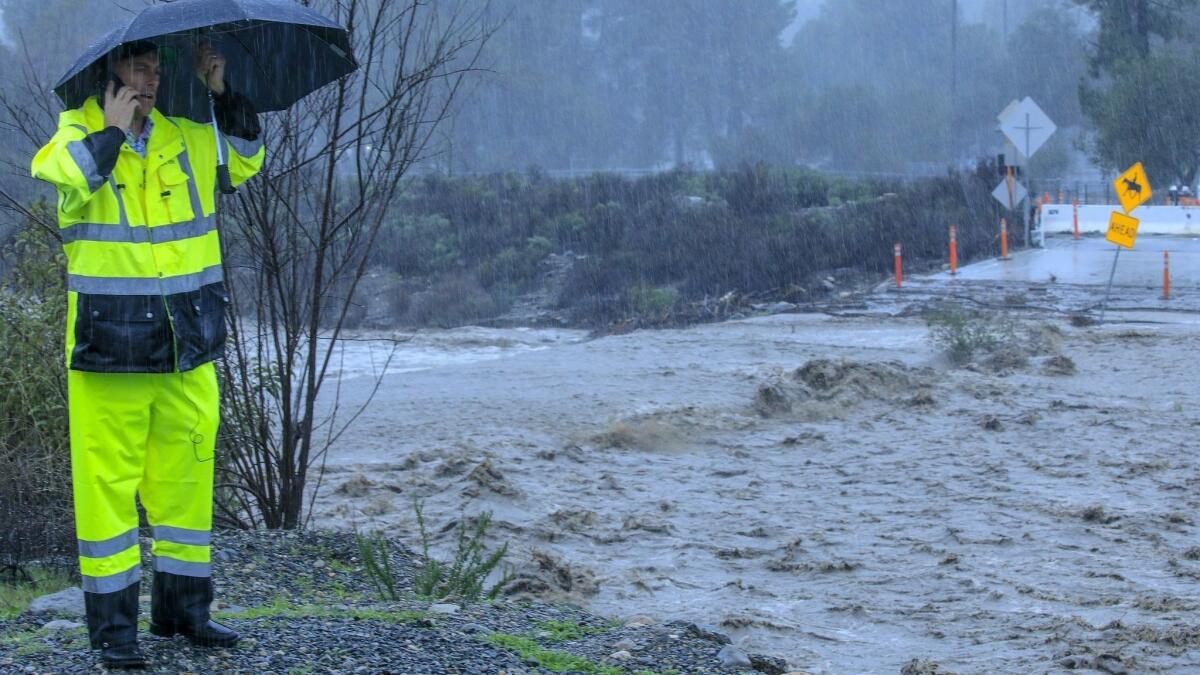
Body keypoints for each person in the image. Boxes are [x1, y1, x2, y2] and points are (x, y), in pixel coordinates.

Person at [30, 40, 263, 669]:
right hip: (110, 354)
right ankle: (114, 635)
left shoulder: (183, 136)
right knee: (107, 498)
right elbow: (70, 177)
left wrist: (219, 90)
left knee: (186, 488)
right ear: (109, 78)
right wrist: (109, 130)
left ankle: (184, 615)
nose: (151, 79)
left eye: (157, 69)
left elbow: (245, 159)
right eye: (138, 69)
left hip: (188, 350)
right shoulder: (74, 136)